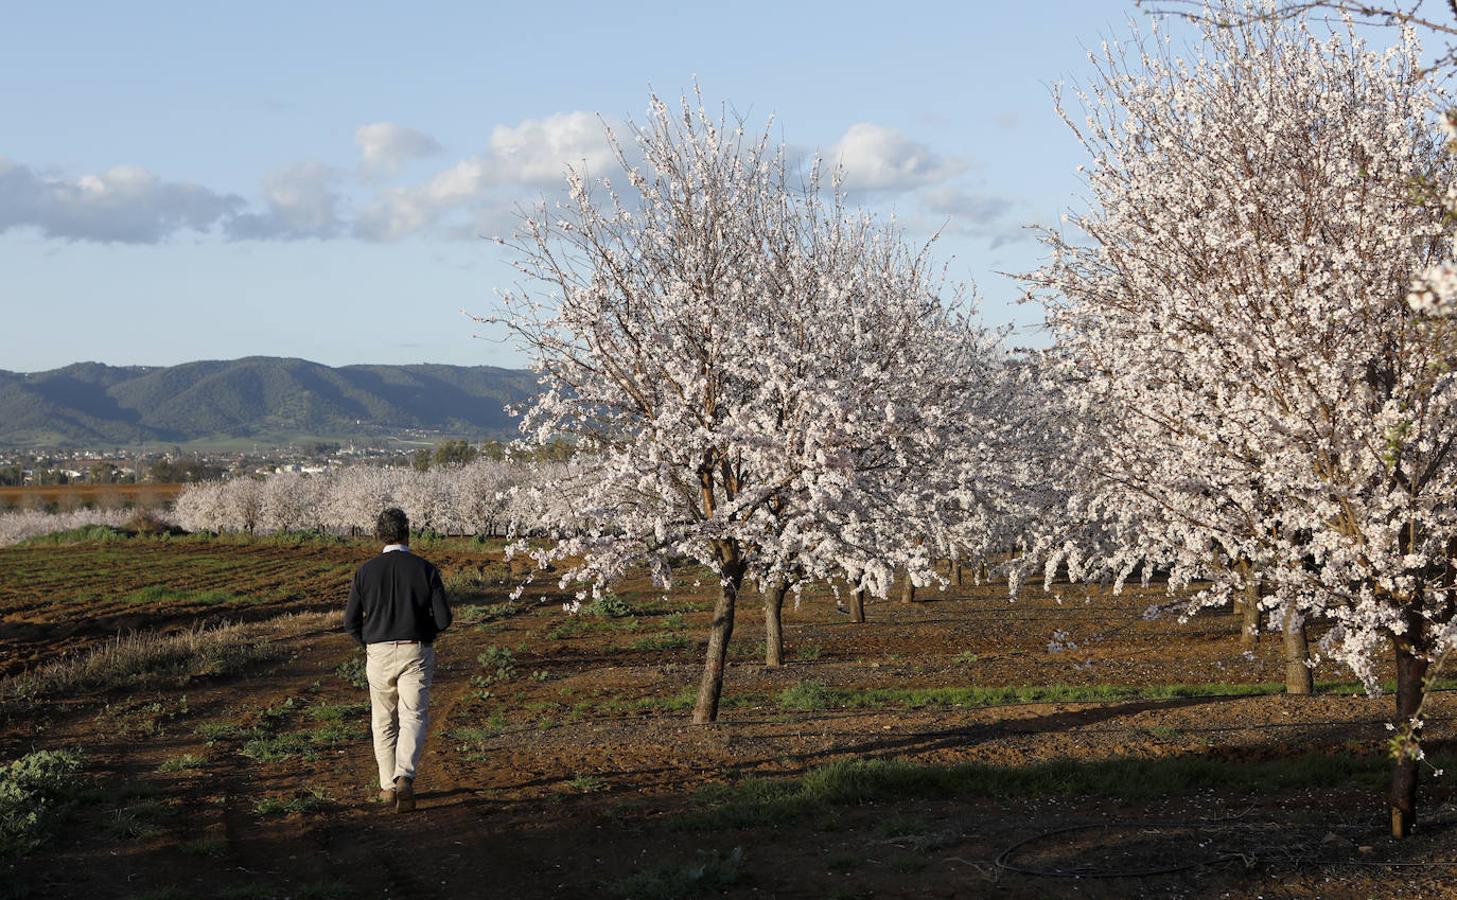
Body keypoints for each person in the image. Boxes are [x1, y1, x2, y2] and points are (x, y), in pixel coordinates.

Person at [343, 507, 452, 812]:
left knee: (382, 721)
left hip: (377, 652)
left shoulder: (365, 571)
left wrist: (369, 642)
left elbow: (350, 621)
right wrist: (425, 634)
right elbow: (443, 619)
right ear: (408, 533)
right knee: (413, 715)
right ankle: (404, 775)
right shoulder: (425, 569)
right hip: (414, 649)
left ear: (379, 535)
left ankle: (387, 788)